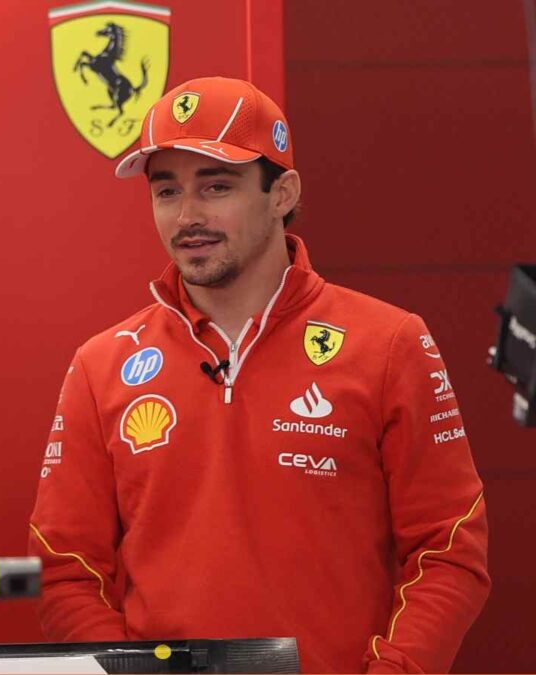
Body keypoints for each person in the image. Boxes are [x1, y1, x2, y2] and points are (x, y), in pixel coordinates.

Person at [28, 76, 489, 673]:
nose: (187, 216)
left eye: (216, 187)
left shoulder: (391, 342)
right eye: (166, 191)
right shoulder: (101, 364)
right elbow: (66, 570)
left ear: (282, 192)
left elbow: (449, 551)